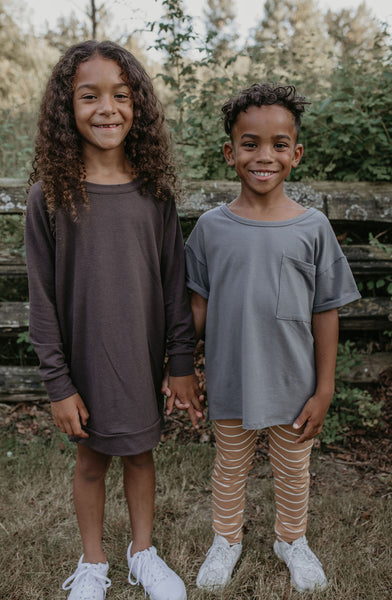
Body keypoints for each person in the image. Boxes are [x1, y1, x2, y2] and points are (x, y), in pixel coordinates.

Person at [25, 40, 203, 600]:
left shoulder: (155, 194)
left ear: (138, 106)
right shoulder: (50, 196)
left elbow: (174, 284)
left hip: (139, 356)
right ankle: (93, 561)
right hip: (83, 362)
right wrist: (58, 384)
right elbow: (41, 299)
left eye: (121, 95)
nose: (107, 108)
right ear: (66, 108)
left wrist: (180, 364)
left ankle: (142, 553)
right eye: (90, 96)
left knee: (140, 455)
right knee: (90, 460)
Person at [166, 83, 361, 593]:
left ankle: (291, 540)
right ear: (229, 152)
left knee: (294, 468)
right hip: (231, 379)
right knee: (229, 465)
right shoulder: (210, 229)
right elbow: (196, 309)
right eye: (250, 144)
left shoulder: (313, 228)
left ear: (296, 154)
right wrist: (178, 366)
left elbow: (326, 311)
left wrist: (325, 389)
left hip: (294, 385)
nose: (264, 156)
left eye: (279, 144)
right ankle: (226, 540)